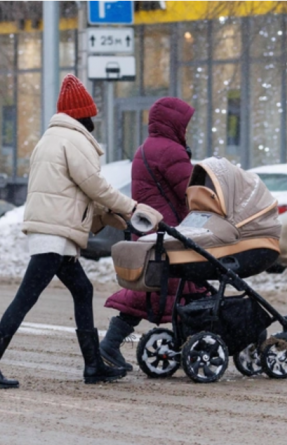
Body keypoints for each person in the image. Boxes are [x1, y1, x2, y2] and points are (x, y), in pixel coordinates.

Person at [0, 74, 153, 387]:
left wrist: (105, 215)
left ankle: (93, 365)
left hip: (53, 231)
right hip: (54, 235)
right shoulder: (73, 140)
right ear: (82, 113)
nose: (94, 119)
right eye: (91, 114)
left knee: (82, 290)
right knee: (25, 298)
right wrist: (130, 207)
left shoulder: (51, 139)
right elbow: (94, 184)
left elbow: (71, 190)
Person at [100, 97, 198, 371]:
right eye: (185, 123)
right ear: (173, 122)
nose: (187, 129)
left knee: (159, 288)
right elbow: (191, 192)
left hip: (150, 230)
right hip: (166, 233)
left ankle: (115, 341)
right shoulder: (170, 151)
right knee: (171, 287)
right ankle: (193, 341)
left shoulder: (146, 148)